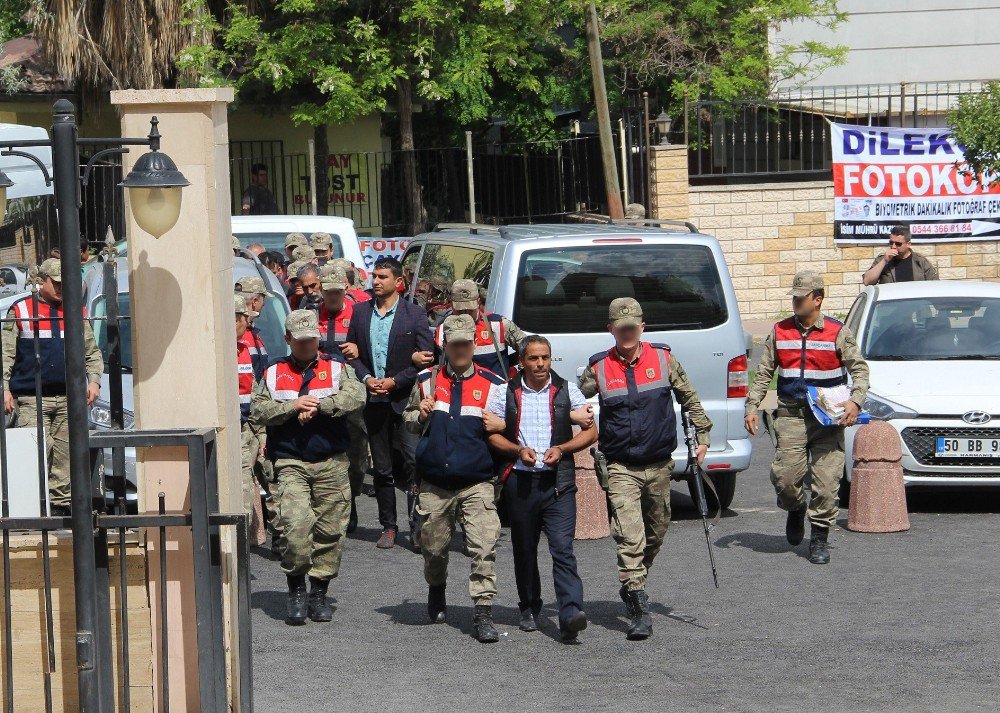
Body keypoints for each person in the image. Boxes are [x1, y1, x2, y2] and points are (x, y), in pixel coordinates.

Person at [578, 297, 712, 641]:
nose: (627, 333)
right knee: (630, 537)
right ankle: (638, 606)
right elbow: (571, 399)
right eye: (621, 328)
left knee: (657, 531)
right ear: (611, 329)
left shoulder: (664, 359)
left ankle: (634, 580)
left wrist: (703, 436)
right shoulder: (598, 368)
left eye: (632, 327)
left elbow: (690, 398)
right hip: (621, 466)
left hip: (659, 464)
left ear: (642, 327)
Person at [744, 271, 870, 565]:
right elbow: (763, 373)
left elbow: (860, 370)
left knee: (826, 483)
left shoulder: (838, 332)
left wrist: (855, 401)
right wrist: (752, 406)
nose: (796, 302)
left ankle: (819, 538)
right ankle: (796, 507)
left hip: (827, 420)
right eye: (794, 297)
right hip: (791, 415)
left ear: (818, 299)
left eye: (802, 297)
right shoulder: (780, 331)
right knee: (785, 479)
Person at [251, 310, 365, 625]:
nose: (306, 345)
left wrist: (320, 406)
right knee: (296, 527)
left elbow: (357, 397)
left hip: (331, 461)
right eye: (300, 340)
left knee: (330, 531)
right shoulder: (273, 371)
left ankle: (318, 592)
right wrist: (293, 406)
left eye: (311, 339)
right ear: (288, 339)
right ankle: (296, 588)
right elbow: (258, 410)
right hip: (290, 462)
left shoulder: (337, 367)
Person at [404, 314, 508, 642]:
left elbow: (510, 425)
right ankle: (437, 588)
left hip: (477, 481)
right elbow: (408, 420)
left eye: (466, 344)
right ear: (444, 346)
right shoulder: (426, 380)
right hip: (435, 483)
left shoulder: (494, 384)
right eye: (454, 344)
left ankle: (483, 612)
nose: (461, 350)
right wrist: (419, 414)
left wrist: (503, 425)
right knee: (433, 549)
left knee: (483, 546)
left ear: (474, 345)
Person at [488, 335, 596, 642]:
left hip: (558, 484)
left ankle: (570, 614)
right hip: (521, 482)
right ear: (521, 362)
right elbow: (491, 434)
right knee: (524, 549)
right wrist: (517, 451)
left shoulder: (567, 389)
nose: (540, 364)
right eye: (533, 358)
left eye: (545, 358)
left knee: (563, 549)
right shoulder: (504, 391)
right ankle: (529, 606)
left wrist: (562, 448)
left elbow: (591, 432)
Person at [341, 257, 434, 549]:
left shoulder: (414, 314)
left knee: (413, 462)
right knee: (382, 468)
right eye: (375, 276)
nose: (377, 281)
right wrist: (367, 377)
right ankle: (388, 526)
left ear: (398, 282)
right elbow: (352, 355)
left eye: (383, 277)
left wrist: (396, 381)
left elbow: (426, 358)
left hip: (405, 401)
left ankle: (417, 526)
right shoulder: (360, 312)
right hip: (374, 401)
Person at [1, 259, 104, 515]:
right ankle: (31, 510)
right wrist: (4, 388)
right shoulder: (22, 310)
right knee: (34, 455)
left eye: (64, 283)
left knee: (65, 457)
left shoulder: (75, 311)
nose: (60, 288)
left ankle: (60, 509)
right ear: (41, 281)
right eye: (56, 283)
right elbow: (5, 354)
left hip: (69, 397)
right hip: (31, 398)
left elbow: (91, 352)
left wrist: (94, 380)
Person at [317, 267, 368, 532]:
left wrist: (359, 349)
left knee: (356, 454)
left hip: (351, 391)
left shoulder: (358, 315)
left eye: (337, 291)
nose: (333, 296)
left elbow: (371, 349)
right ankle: (339, 506)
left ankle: (353, 495)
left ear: (345, 289)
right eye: (328, 292)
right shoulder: (312, 315)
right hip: (322, 391)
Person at [413, 278, 527, 378]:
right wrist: (415, 357)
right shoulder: (442, 329)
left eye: (469, 310)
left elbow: (528, 348)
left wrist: (508, 366)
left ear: (478, 302)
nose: (465, 314)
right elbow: (431, 362)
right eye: (460, 310)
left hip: (494, 392)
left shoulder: (498, 324)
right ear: (451, 304)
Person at [862, 226, 939, 285]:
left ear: (908, 244)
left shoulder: (920, 262)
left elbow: (935, 285)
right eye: (891, 243)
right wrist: (884, 261)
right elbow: (867, 281)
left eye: (898, 244)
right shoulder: (883, 259)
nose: (893, 247)